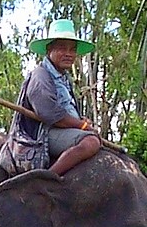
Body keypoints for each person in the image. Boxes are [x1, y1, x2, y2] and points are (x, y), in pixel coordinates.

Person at [7, 18, 101, 176]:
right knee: (90, 142)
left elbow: (66, 111)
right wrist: (82, 126)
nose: (68, 54)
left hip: (63, 130)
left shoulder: (64, 78)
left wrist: (80, 120)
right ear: (49, 50)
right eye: (62, 49)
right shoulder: (40, 76)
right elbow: (51, 114)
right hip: (43, 134)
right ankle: (45, 179)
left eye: (72, 49)